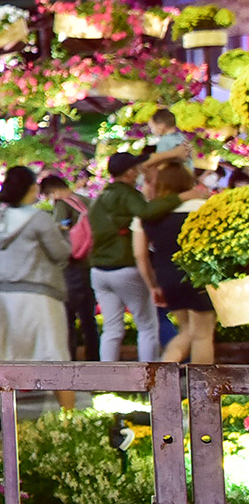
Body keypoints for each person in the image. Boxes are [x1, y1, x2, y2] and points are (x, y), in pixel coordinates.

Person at [0, 166, 76, 425]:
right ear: (29, 188)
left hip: (2, 297)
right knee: (55, 356)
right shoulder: (39, 219)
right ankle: (70, 417)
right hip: (39, 295)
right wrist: (64, 235)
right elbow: (61, 253)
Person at [88, 151, 202, 362]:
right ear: (130, 172)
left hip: (99, 270)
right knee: (148, 326)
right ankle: (148, 380)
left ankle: (106, 382)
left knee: (112, 329)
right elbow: (146, 213)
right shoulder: (127, 194)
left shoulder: (101, 198)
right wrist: (180, 197)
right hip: (125, 267)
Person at [137, 160, 215, 365]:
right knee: (202, 335)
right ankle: (199, 392)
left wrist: (153, 285)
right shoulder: (203, 208)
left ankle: (164, 377)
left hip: (166, 276)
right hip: (199, 275)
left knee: (187, 330)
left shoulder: (149, 215)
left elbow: (140, 255)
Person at [39, 174, 98, 361]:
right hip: (90, 263)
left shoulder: (62, 204)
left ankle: (70, 363)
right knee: (89, 319)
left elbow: (56, 233)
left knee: (68, 320)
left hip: (71, 266)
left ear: (53, 191)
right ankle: (94, 360)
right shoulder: (87, 201)